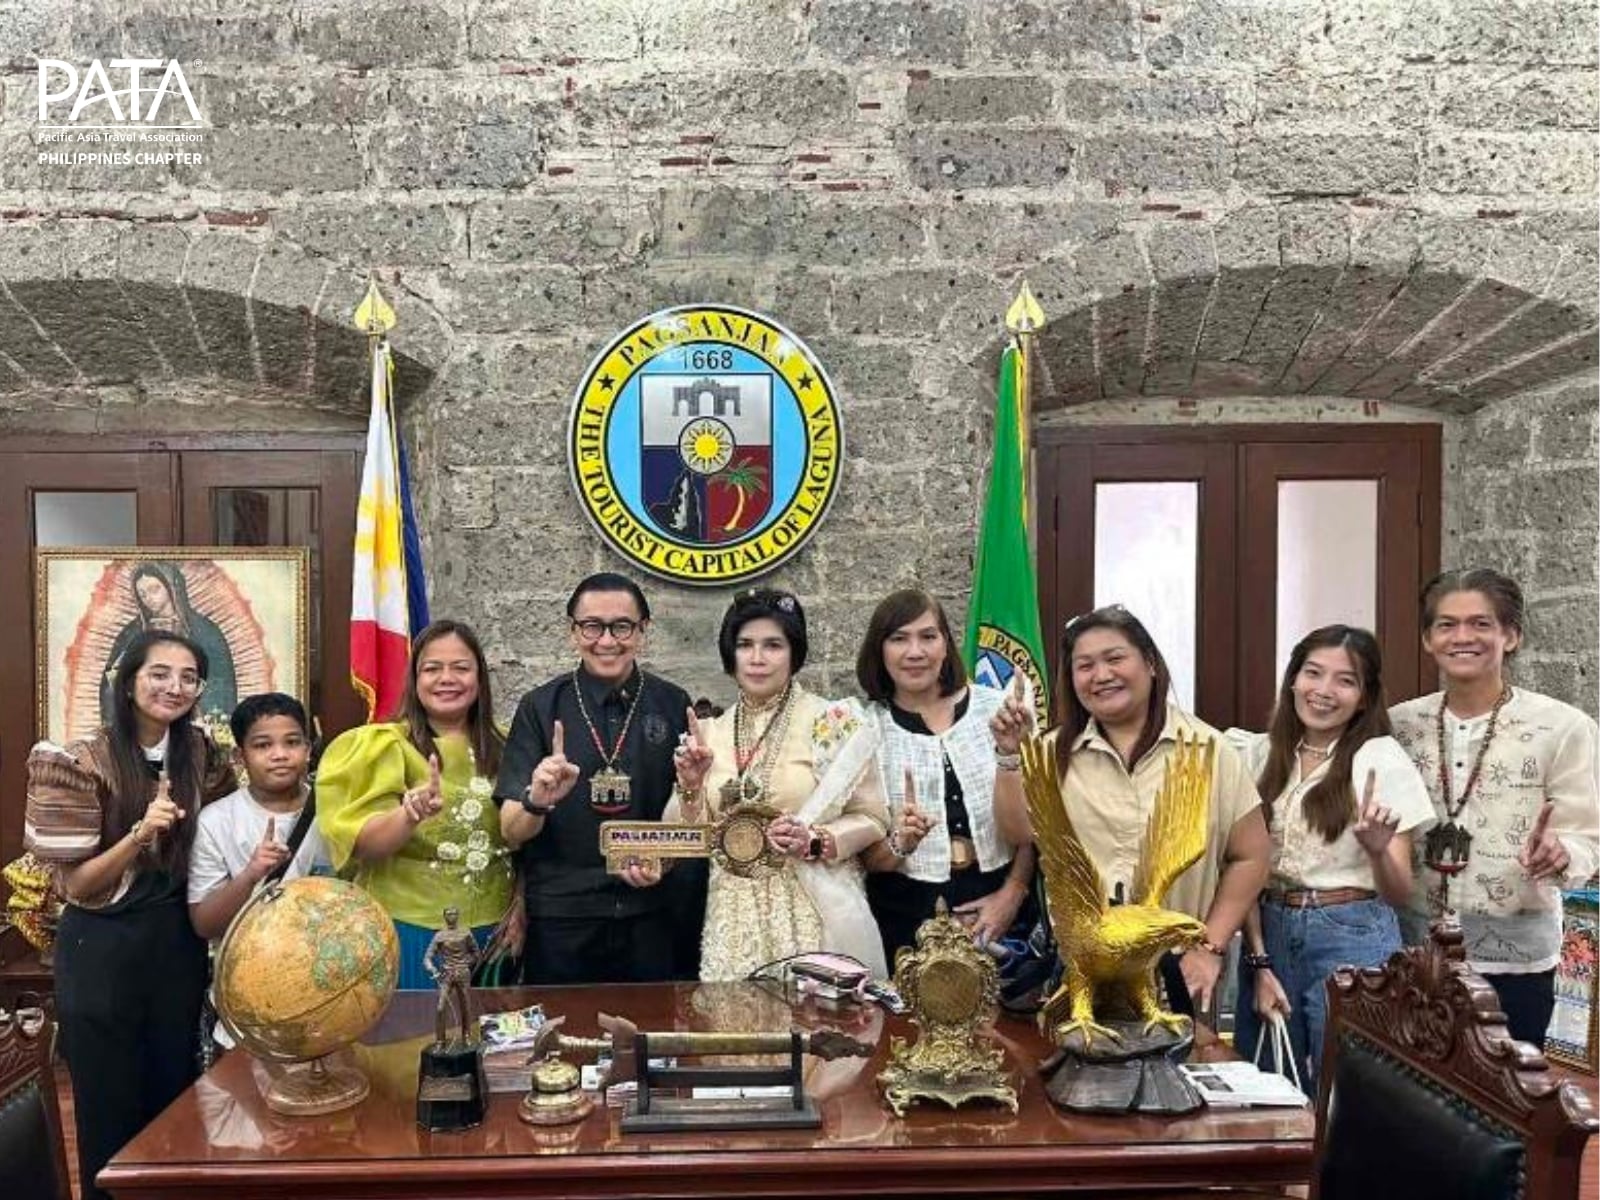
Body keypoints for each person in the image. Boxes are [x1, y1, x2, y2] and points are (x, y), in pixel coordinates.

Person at [25, 630, 236, 1200]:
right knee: (108, 1104)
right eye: (159, 673)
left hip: (174, 944)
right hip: (101, 947)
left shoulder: (202, 756)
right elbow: (76, 885)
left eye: (189, 677)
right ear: (128, 681)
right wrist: (139, 835)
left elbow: (223, 835)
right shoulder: (76, 760)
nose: (175, 687)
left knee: (174, 1094)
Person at [992, 605, 1271, 1017]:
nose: (1101, 675)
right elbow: (1018, 833)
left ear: (1151, 664)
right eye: (1085, 666)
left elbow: (1252, 856)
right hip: (1081, 978)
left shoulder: (1209, 751)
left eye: (1114, 658)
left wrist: (1210, 947)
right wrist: (1010, 755)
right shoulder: (1051, 753)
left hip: (1177, 979)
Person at [1390, 568, 1599, 1046]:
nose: (1463, 637)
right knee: (1408, 1088)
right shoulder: (1399, 726)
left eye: (1481, 624)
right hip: (1414, 954)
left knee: (1507, 1090)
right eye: (1447, 624)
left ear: (1512, 635)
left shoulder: (1563, 728)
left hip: (1515, 962)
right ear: (1427, 639)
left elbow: (1587, 834)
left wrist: (1561, 852)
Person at [1228, 626, 1434, 1089]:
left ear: (1364, 698)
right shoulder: (1259, 754)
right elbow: (1242, 867)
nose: (1323, 690)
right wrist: (1259, 962)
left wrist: (1378, 850)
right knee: (1267, 1084)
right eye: (1313, 673)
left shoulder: (1379, 757)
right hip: (1269, 928)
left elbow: (1398, 891)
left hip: (1351, 931)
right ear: (1293, 680)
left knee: (1348, 1087)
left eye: (1345, 680)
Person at [669, 587, 890, 981]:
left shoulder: (833, 722)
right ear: (730, 654)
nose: (757, 658)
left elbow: (873, 817)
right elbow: (684, 836)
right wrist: (691, 785)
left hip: (812, 903)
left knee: (816, 1016)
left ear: (794, 653)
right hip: (733, 914)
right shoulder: (709, 733)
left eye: (773, 645)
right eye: (745, 645)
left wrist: (816, 840)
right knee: (735, 1017)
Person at [494, 573, 699, 985]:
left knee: (651, 1028)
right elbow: (511, 831)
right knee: (563, 1029)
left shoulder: (673, 703)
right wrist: (537, 799)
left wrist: (664, 856)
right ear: (573, 631)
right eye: (592, 626)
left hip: (652, 916)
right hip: (562, 919)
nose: (606, 640)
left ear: (643, 630)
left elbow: (689, 820)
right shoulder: (540, 707)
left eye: (621, 626)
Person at [316, 620, 514, 989]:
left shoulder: (510, 743)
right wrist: (408, 816)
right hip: (409, 930)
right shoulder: (384, 745)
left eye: (461, 668)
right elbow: (361, 843)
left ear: (480, 678)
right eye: (432, 668)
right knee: (417, 1026)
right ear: (414, 678)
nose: (446, 678)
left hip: (498, 932)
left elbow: (528, 839)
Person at [854, 587, 1036, 965]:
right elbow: (867, 860)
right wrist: (901, 842)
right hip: (906, 918)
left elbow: (1036, 825)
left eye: (928, 636)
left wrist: (1013, 892)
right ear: (879, 650)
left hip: (1003, 904)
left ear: (945, 644)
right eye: (899, 639)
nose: (915, 651)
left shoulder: (998, 710)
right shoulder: (864, 730)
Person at [189, 692, 331, 942]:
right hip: (251, 960)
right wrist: (251, 875)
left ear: (307, 749)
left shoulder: (333, 810)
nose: (280, 755)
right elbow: (205, 925)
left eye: (292, 742)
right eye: (263, 745)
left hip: (328, 955)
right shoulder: (216, 821)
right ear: (240, 756)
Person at [100, 562, 237, 726]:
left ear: (171, 587)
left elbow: (220, 684)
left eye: (154, 589)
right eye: (142, 594)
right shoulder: (133, 632)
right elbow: (113, 682)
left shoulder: (203, 630)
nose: (148, 599)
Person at [423, 907, 480, 1047]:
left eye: (454, 913)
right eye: (448, 914)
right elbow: (427, 958)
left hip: (462, 973)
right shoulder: (440, 936)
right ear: (444, 916)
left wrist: (465, 963)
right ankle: (440, 1040)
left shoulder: (466, 933)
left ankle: (466, 1036)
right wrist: (433, 969)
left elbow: (476, 954)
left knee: (465, 1006)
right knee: (440, 1007)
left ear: (458, 915)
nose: (451, 916)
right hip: (446, 975)